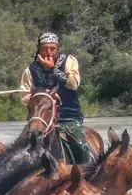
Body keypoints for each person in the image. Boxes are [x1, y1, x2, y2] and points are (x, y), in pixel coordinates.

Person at [19, 32, 92, 164]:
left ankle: (86, 175)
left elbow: (74, 84)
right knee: (18, 148)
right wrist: (43, 96)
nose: (48, 52)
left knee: (82, 148)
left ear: (57, 49)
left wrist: (53, 69)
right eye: (44, 48)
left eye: (52, 49)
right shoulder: (30, 70)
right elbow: (25, 97)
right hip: (40, 119)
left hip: (68, 116)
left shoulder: (69, 61)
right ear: (38, 49)